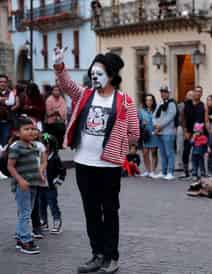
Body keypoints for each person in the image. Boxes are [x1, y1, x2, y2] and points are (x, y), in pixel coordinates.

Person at [53, 48, 140, 273]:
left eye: (99, 73)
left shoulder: (124, 101)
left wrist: (121, 146)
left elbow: (134, 133)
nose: (94, 77)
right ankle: (97, 254)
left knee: (109, 211)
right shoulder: (85, 95)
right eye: (92, 73)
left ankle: (111, 257)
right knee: (90, 211)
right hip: (83, 162)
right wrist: (60, 65)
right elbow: (67, 86)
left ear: (111, 76)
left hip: (109, 165)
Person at [7, 117, 45, 254]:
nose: (30, 131)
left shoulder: (34, 146)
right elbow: (10, 166)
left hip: (33, 183)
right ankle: (25, 241)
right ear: (17, 133)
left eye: (32, 129)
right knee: (25, 213)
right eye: (26, 129)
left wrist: (40, 174)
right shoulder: (17, 147)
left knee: (27, 211)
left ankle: (19, 236)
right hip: (22, 185)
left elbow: (36, 163)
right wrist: (20, 180)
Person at [39, 133, 66, 234]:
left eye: (44, 145)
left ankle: (57, 221)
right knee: (41, 205)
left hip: (50, 186)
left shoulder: (55, 158)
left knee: (52, 204)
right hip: (40, 185)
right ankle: (43, 222)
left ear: (50, 145)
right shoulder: (39, 156)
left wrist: (57, 182)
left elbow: (62, 171)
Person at [180, 86, 206, 179]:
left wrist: (203, 132)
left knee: (198, 154)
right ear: (193, 92)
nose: (198, 93)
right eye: (196, 91)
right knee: (185, 152)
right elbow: (182, 118)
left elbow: (205, 120)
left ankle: (197, 173)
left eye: (200, 92)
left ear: (202, 94)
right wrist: (185, 131)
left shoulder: (203, 105)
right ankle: (186, 172)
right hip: (188, 132)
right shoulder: (186, 104)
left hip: (199, 133)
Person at [153, 87, 177, 180]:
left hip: (168, 132)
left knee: (169, 153)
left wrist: (160, 126)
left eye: (165, 92)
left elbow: (170, 117)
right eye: (162, 92)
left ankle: (170, 172)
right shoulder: (160, 104)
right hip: (159, 132)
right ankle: (163, 171)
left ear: (168, 93)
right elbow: (154, 116)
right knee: (162, 153)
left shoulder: (171, 104)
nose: (163, 94)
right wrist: (155, 125)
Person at [139, 94, 158, 178]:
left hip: (154, 133)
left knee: (154, 152)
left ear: (153, 101)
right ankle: (148, 170)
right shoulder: (141, 111)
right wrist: (142, 123)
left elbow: (159, 120)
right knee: (145, 153)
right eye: (147, 100)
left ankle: (153, 171)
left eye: (150, 100)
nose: (149, 102)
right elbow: (138, 122)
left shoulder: (156, 110)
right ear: (145, 101)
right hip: (145, 134)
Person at [176, 91, 193, 171]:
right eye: (189, 95)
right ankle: (180, 164)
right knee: (179, 147)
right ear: (186, 96)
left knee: (189, 148)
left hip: (191, 129)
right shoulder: (180, 105)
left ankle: (189, 164)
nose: (190, 96)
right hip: (180, 128)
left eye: (192, 95)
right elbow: (177, 117)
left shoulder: (195, 105)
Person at [0, 74, 16, 147]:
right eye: (1, 82)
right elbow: (7, 102)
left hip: (6, 121)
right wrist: (3, 100)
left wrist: (2, 100)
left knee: (5, 140)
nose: (2, 83)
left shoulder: (11, 93)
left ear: (7, 83)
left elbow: (10, 103)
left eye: (4, 82)